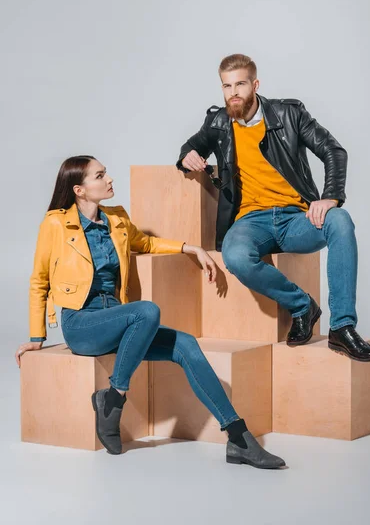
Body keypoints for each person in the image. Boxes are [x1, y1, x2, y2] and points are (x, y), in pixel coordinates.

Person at [15, 155, 285, 468]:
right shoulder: (55, 224)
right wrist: (37, 337)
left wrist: (190, 248)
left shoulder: (116, 219)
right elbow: (39, 280)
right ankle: (115, 396)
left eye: (106, 173)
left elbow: (145, 243)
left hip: (118, 320)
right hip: (82, 323)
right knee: (146, 311)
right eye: (100, 175)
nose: (109, 179)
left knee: (185, 344)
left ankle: (238, 438)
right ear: (80, 189)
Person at [177, 54, 370, 362]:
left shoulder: (289, 113)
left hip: (296, 218)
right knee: (235, 256)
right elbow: (190, 147)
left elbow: (332, 150)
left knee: (340, 221)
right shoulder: (218, 121)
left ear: (255, 85)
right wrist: (187, 156)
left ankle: (342, 327)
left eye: (240, 84)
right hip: (250, 222)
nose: (233, 93)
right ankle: (302, 306)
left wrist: (330, 196)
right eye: (227, 86)